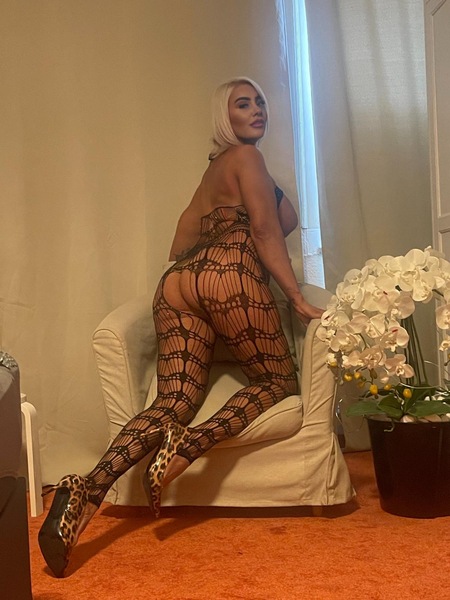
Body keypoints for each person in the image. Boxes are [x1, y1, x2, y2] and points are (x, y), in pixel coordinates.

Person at [38, 76, 324, 577]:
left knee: (172, 402)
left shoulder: (213, 173)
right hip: (228, 274)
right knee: (278, 381)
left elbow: (179, 248)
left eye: (260, 102)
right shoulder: (247, 159)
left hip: (177, 285)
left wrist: (203, 290)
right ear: (224, 117)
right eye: (243, 104)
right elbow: (264, 230)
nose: (257, 109)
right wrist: (295, 297)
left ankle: (85, 490)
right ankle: (188, 445)